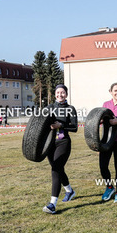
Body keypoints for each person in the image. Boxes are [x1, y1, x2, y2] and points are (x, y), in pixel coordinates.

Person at [43, 84, 78, 214]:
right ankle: (69, 191)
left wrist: (61, 125)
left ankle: (52, 204)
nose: (60, 95)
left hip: (63, 142)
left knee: (55, 169)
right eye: (58, 92)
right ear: (55, 94)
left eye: (62, 92)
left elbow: (74, 127)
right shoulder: (49, 108)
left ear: (66, 94)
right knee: (58, 169)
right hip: (50, 143)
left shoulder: (70, 109)